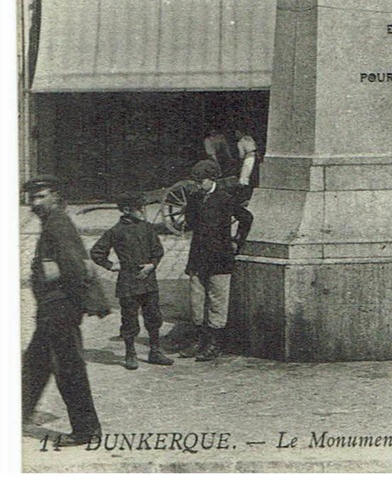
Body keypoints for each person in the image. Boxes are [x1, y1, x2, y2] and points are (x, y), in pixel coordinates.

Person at [22, 175, 102, 447]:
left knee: (69, 369)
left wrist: (74, 305)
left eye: (41, 196)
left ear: (55, 196)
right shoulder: (52, 223)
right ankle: (17, 414)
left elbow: (76, 268)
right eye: (32, 198)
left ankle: (86, 430)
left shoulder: (57, 224)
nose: (35, 202)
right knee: (35, 364)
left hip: (59, 310)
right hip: (52, 309)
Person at [90, 191, 173, 370]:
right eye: (138, 209)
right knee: (129, 320)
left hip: (149, 282)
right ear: (127, 210)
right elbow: (96, 252)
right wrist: (111, 265)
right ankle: (130, 353)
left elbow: (158, 250)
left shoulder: (148, 228)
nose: (142, 212)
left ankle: (155, 351)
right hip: (128, 283)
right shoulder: (115, 231)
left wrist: (152, 265)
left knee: (153, 317)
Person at [180, 159, 253, 361]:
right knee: (197, 299)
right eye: (195, 181)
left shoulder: (225, 198)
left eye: (200, 181)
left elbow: (246, 218)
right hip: (198, 256)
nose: (197, 185)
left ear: (211, 179)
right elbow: (190, 220)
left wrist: (237, 241)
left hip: (219, 257)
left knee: (217, 300)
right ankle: (198, 340)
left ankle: (214, 343)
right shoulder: (195, 198)